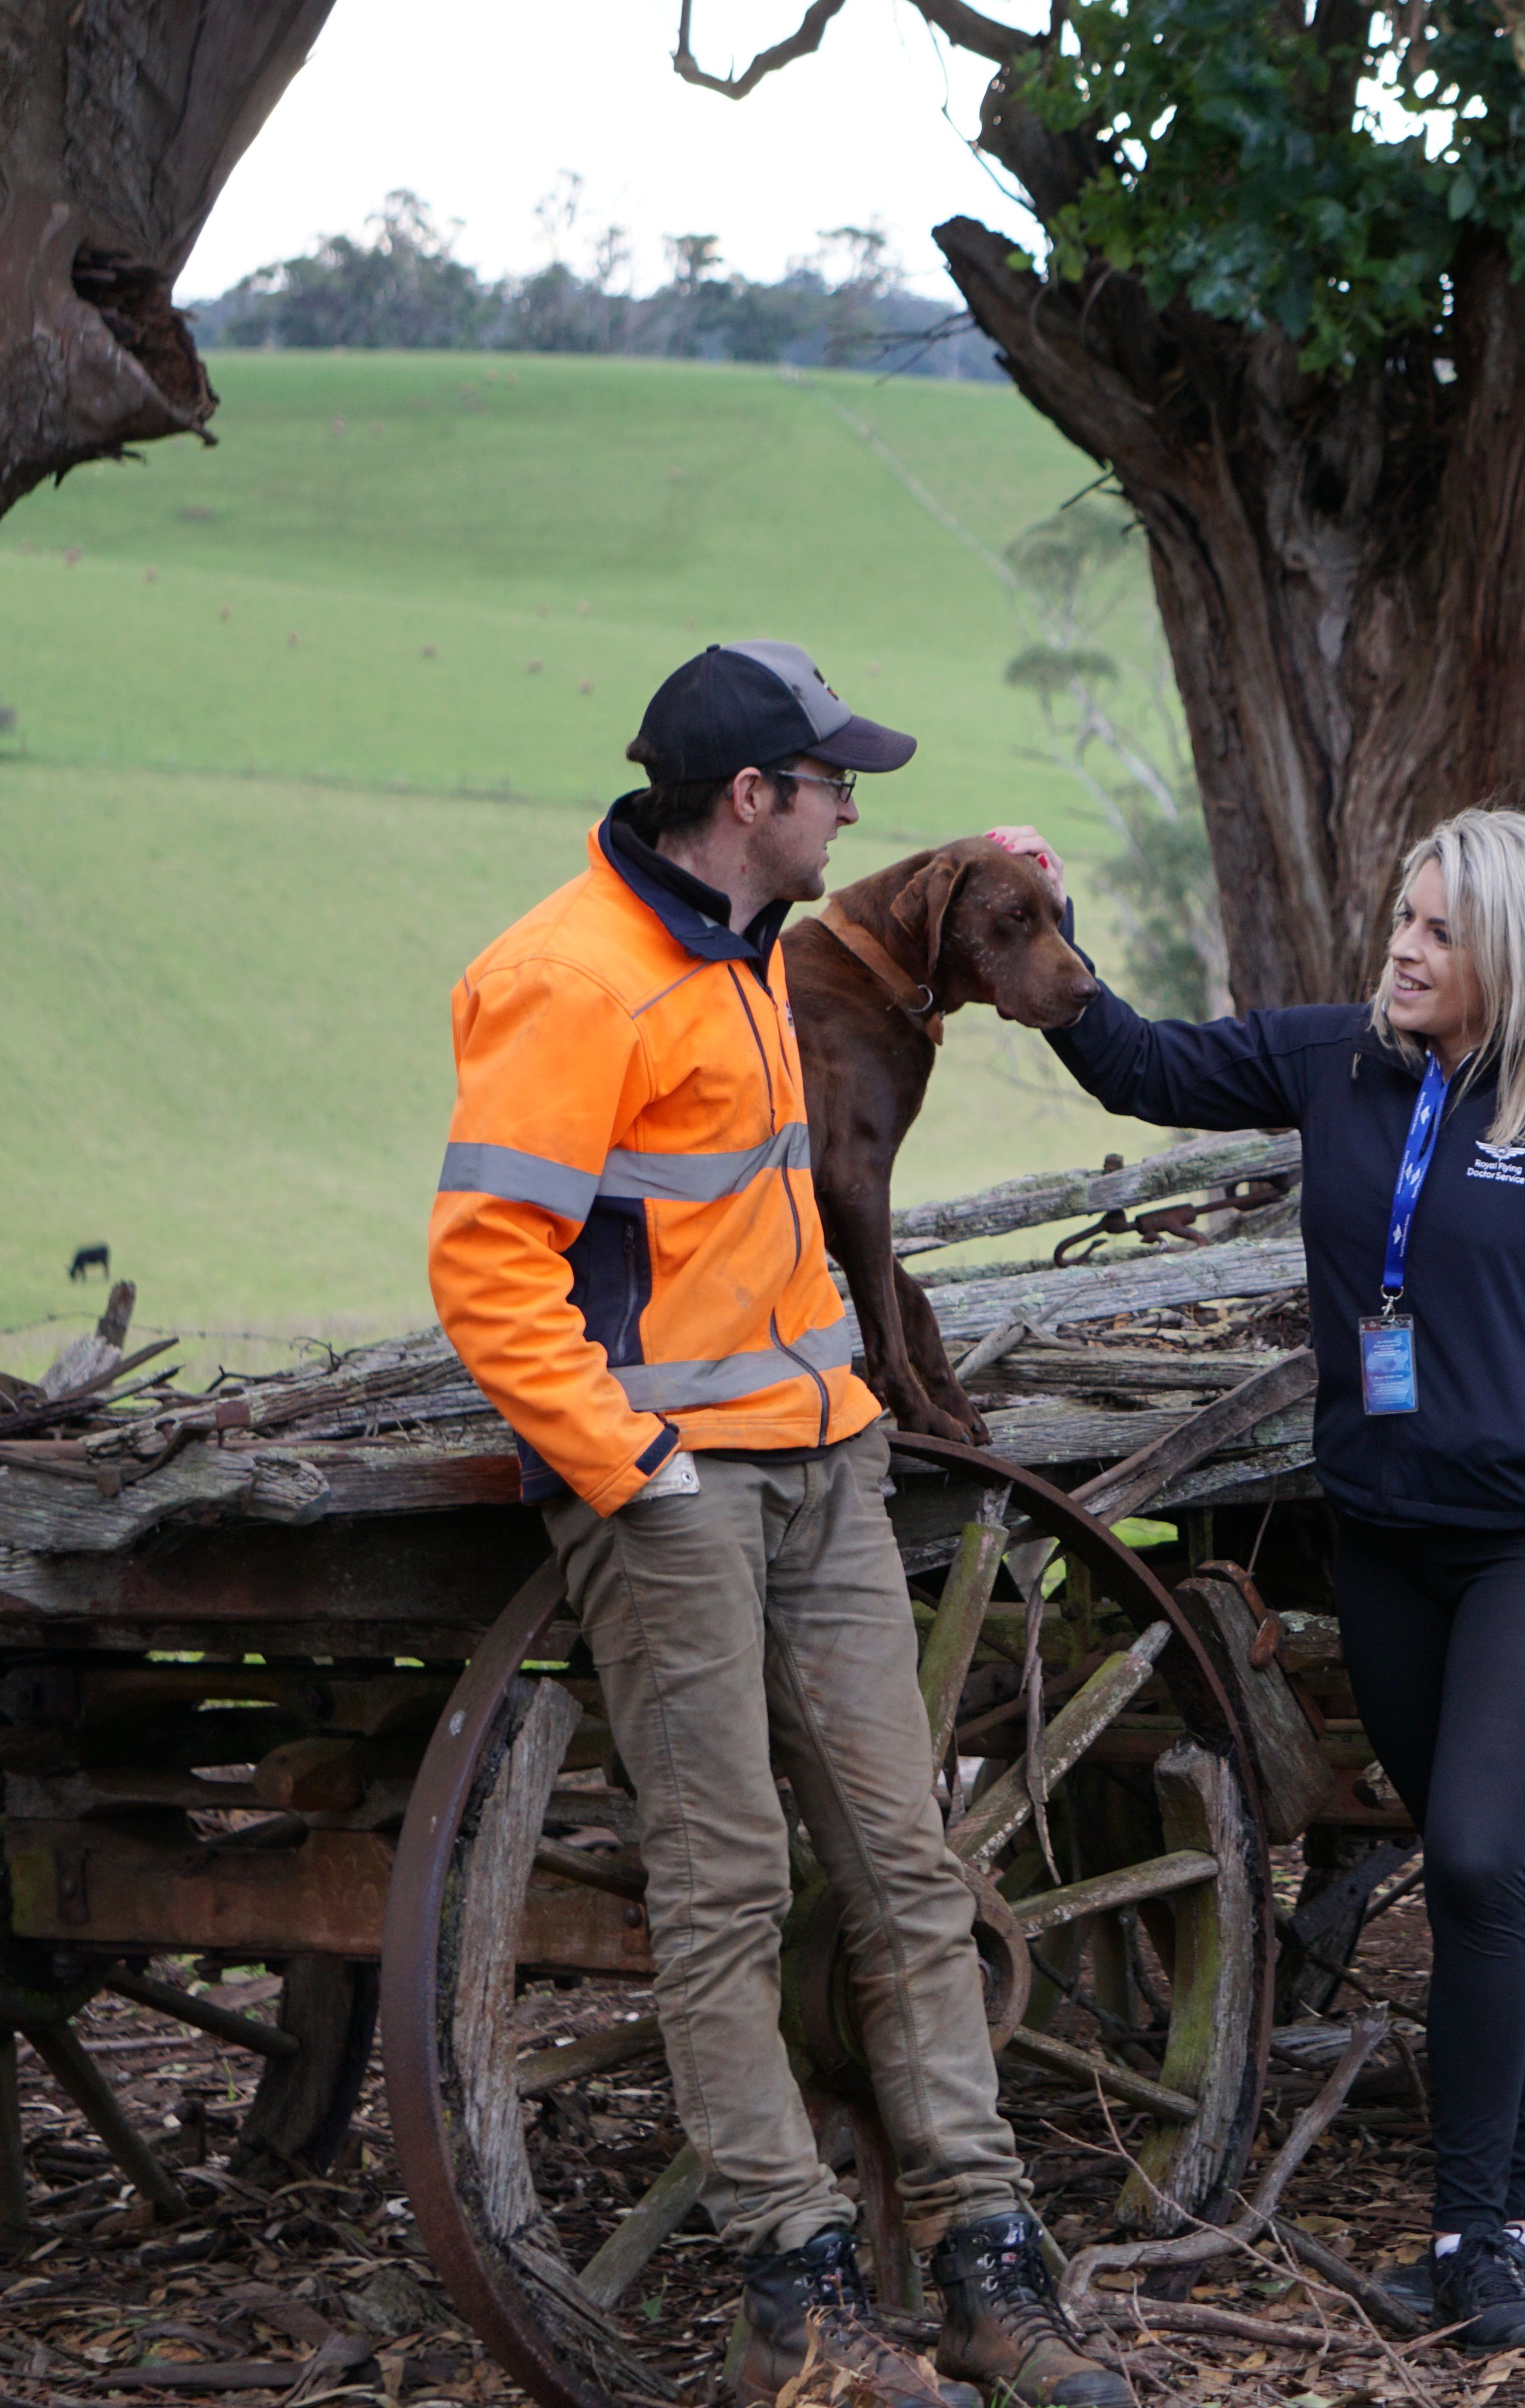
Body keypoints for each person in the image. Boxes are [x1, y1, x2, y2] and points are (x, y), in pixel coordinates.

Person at [427, 640, 1128, 2408]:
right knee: (729, 1886)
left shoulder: (745, 951)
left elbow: (779, 1199)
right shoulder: (567, 979)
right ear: (752, 802)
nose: (852, 811)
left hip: (825, 1466)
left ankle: (986, 2268)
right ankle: (798, 2300)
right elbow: (487, 1266)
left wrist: (858, 1417)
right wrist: (633, 1468)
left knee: (911, 1869)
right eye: (833, 787)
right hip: (676, 1497)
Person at [1032, 807, 1525, 2348]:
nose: (1403, 946)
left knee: (1488, 1857)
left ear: (1514, 945)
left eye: (1437, 927)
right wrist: (1046, 930)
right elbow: (1148, 1067)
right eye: (1402, 916)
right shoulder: (1338, 1060)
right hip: (1387, 1538)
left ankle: (1472, 2236)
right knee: (1483, 1870)